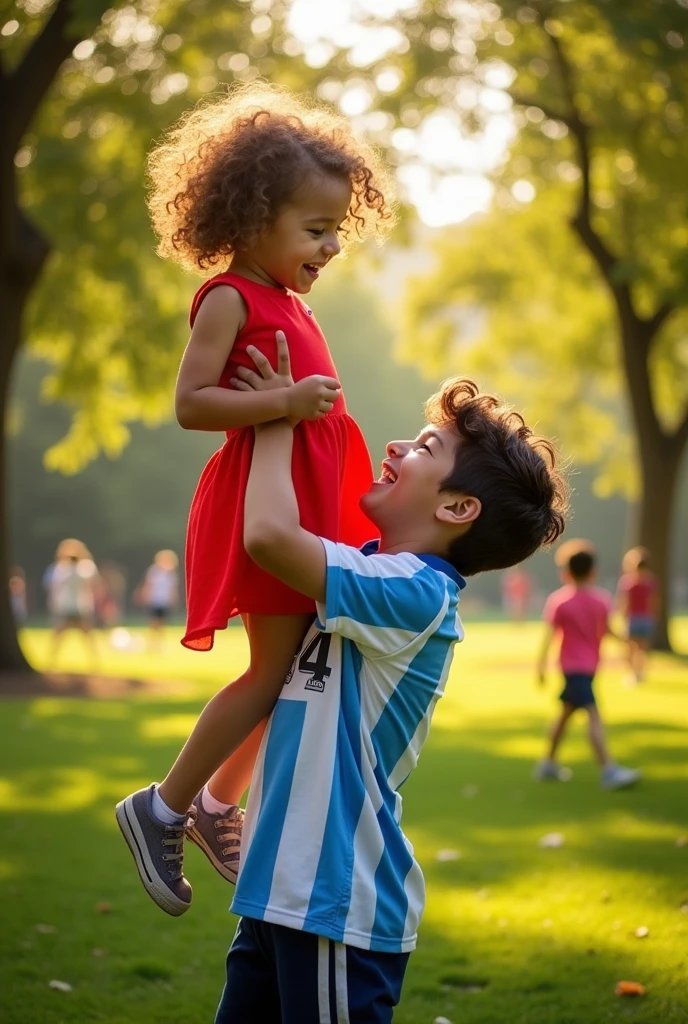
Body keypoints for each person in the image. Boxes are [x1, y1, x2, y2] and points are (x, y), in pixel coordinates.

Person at [121, 354, 568, 1021]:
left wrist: (276, 414)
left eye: (425, 448)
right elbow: (277, 687)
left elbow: (272, 536)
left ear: (457, 506)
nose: (395, 446)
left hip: (336, 902)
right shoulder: (368, 573)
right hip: (283, 895)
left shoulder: (415, 591)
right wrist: (217, 799)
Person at [116, 82, 393, 904]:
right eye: (316, 230)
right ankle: (163, 808)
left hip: (305, 500)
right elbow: (192, 403)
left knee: (299, 667)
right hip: (261, 505)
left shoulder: (288, 301)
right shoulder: (232, 297)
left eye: (337, 230)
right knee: (272, 669)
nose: (331, 247)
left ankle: (210, 804)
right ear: (251, 221)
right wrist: (280, 401)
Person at [535, 539, 641, 789]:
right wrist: (628, 644)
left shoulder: (559, 601)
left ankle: (547, 764)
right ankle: (609, 770)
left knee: (566, 714)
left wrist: (540, 668)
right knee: (593, 714)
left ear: (565, 572)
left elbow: (548, 639)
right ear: (594, 572)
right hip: (582, 670)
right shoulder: (601, 600)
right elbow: (610, 632)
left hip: (573, 668)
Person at [45, 539, 101, 669]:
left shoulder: (86, 567)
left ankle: (94, 662)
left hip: (81, 606)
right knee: (59, 634)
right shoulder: (60, 569)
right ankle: (51, 661)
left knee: (87, 635)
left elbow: (93, 584)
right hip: (65, 605)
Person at [616, 546, 658, 684]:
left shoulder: (628, 582)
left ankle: (635, 673)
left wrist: (622, 616)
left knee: (630, 649)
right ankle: (639, 673)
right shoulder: (650, 582)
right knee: (641, 649)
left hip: (634, 619)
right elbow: (654, 602)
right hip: (645, 619)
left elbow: (625, 603)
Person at [138, 550, 179, 650]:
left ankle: (159, 644)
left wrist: (174, 599)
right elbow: (148, 585)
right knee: (153, 622)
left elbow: (173, 588)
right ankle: (151, 644)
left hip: (164, 601)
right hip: (154, 600)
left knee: (161, 623)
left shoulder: (171, 573)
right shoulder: (154, 571)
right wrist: (144, 596)